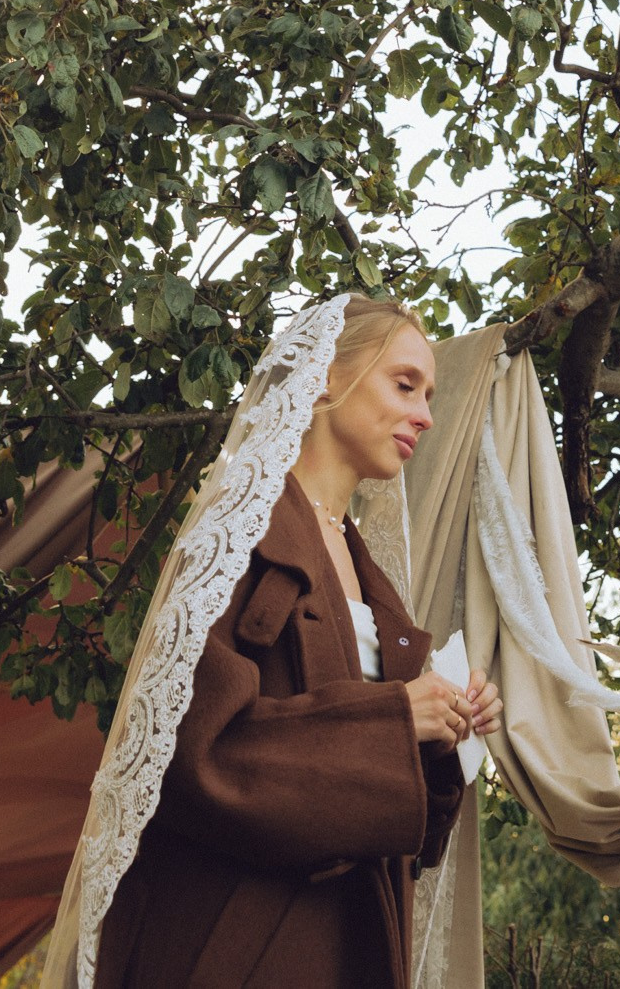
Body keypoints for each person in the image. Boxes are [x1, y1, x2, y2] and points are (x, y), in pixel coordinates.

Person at [82, 295, 501, 989]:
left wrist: (446, 736)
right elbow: (195, 755)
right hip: (238, 947)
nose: (426, 414)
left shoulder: (379, 589)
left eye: (429, 395)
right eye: (404, 384)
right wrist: (396, 718)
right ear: (328, 378)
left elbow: (404, 830)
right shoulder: (234, 538)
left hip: (356, 949)